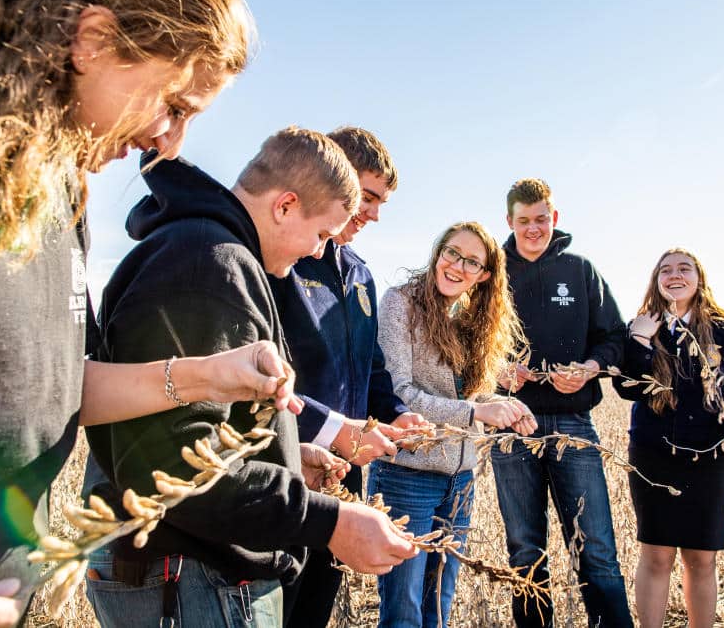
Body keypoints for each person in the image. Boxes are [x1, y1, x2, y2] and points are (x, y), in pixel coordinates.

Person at [0, 0, 302, 626]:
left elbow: (39, 387)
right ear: (93, 39)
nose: (168, 143)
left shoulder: (54, 188)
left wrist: (204, 376)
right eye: (174, 104)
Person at [84, 128, 418, 627]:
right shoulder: (208, 265)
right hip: (184, 573)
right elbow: (178, 465)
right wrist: (329, 521)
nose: (314, 252)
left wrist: (285, 456)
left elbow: (193, 423)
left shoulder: (223, 258)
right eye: (322, 234)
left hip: (196, 567)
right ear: (284, 205)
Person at [271, 126, 428, 628]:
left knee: (315, 607)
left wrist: (399, 414)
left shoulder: (360, 274)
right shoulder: (281, 262)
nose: (375, 213)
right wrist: (331, 430)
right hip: (283, 466)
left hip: (343, 477)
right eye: (371, 195)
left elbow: (371, 368)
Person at [368, 221, 536, 628]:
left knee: (438, 609)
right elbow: (398, 393)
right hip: (407, 476)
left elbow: (467, 395)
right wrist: (477, 414)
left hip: (460, 480)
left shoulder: (469, 317)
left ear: (484, 276)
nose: (457, 266)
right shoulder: (400, 303)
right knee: (404, 612)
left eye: (472, 261)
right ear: (438, 252)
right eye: (452, 253)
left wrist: (503, 405)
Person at [490, 178, 632, 628]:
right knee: (525, 549)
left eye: (541, 219)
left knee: (597, 548)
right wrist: (496, 370)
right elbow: (468, 343)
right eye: (523, 221)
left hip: (573, 421)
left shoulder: (580, 270)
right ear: (509, 222)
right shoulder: (491, 275)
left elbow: (614, 337)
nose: (533, 229)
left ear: (555, 218)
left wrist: (589, 368)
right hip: (512, 424)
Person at [613, 248, 724, 628]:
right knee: (656, 555)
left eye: (684, 268)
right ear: (656, 280)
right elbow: (627, 387)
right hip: (653, 456)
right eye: (665, 270)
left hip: (711, 458)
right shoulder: (642, 325)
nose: (674, 275)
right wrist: (640, 342)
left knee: (702, 557)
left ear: (700, 279)